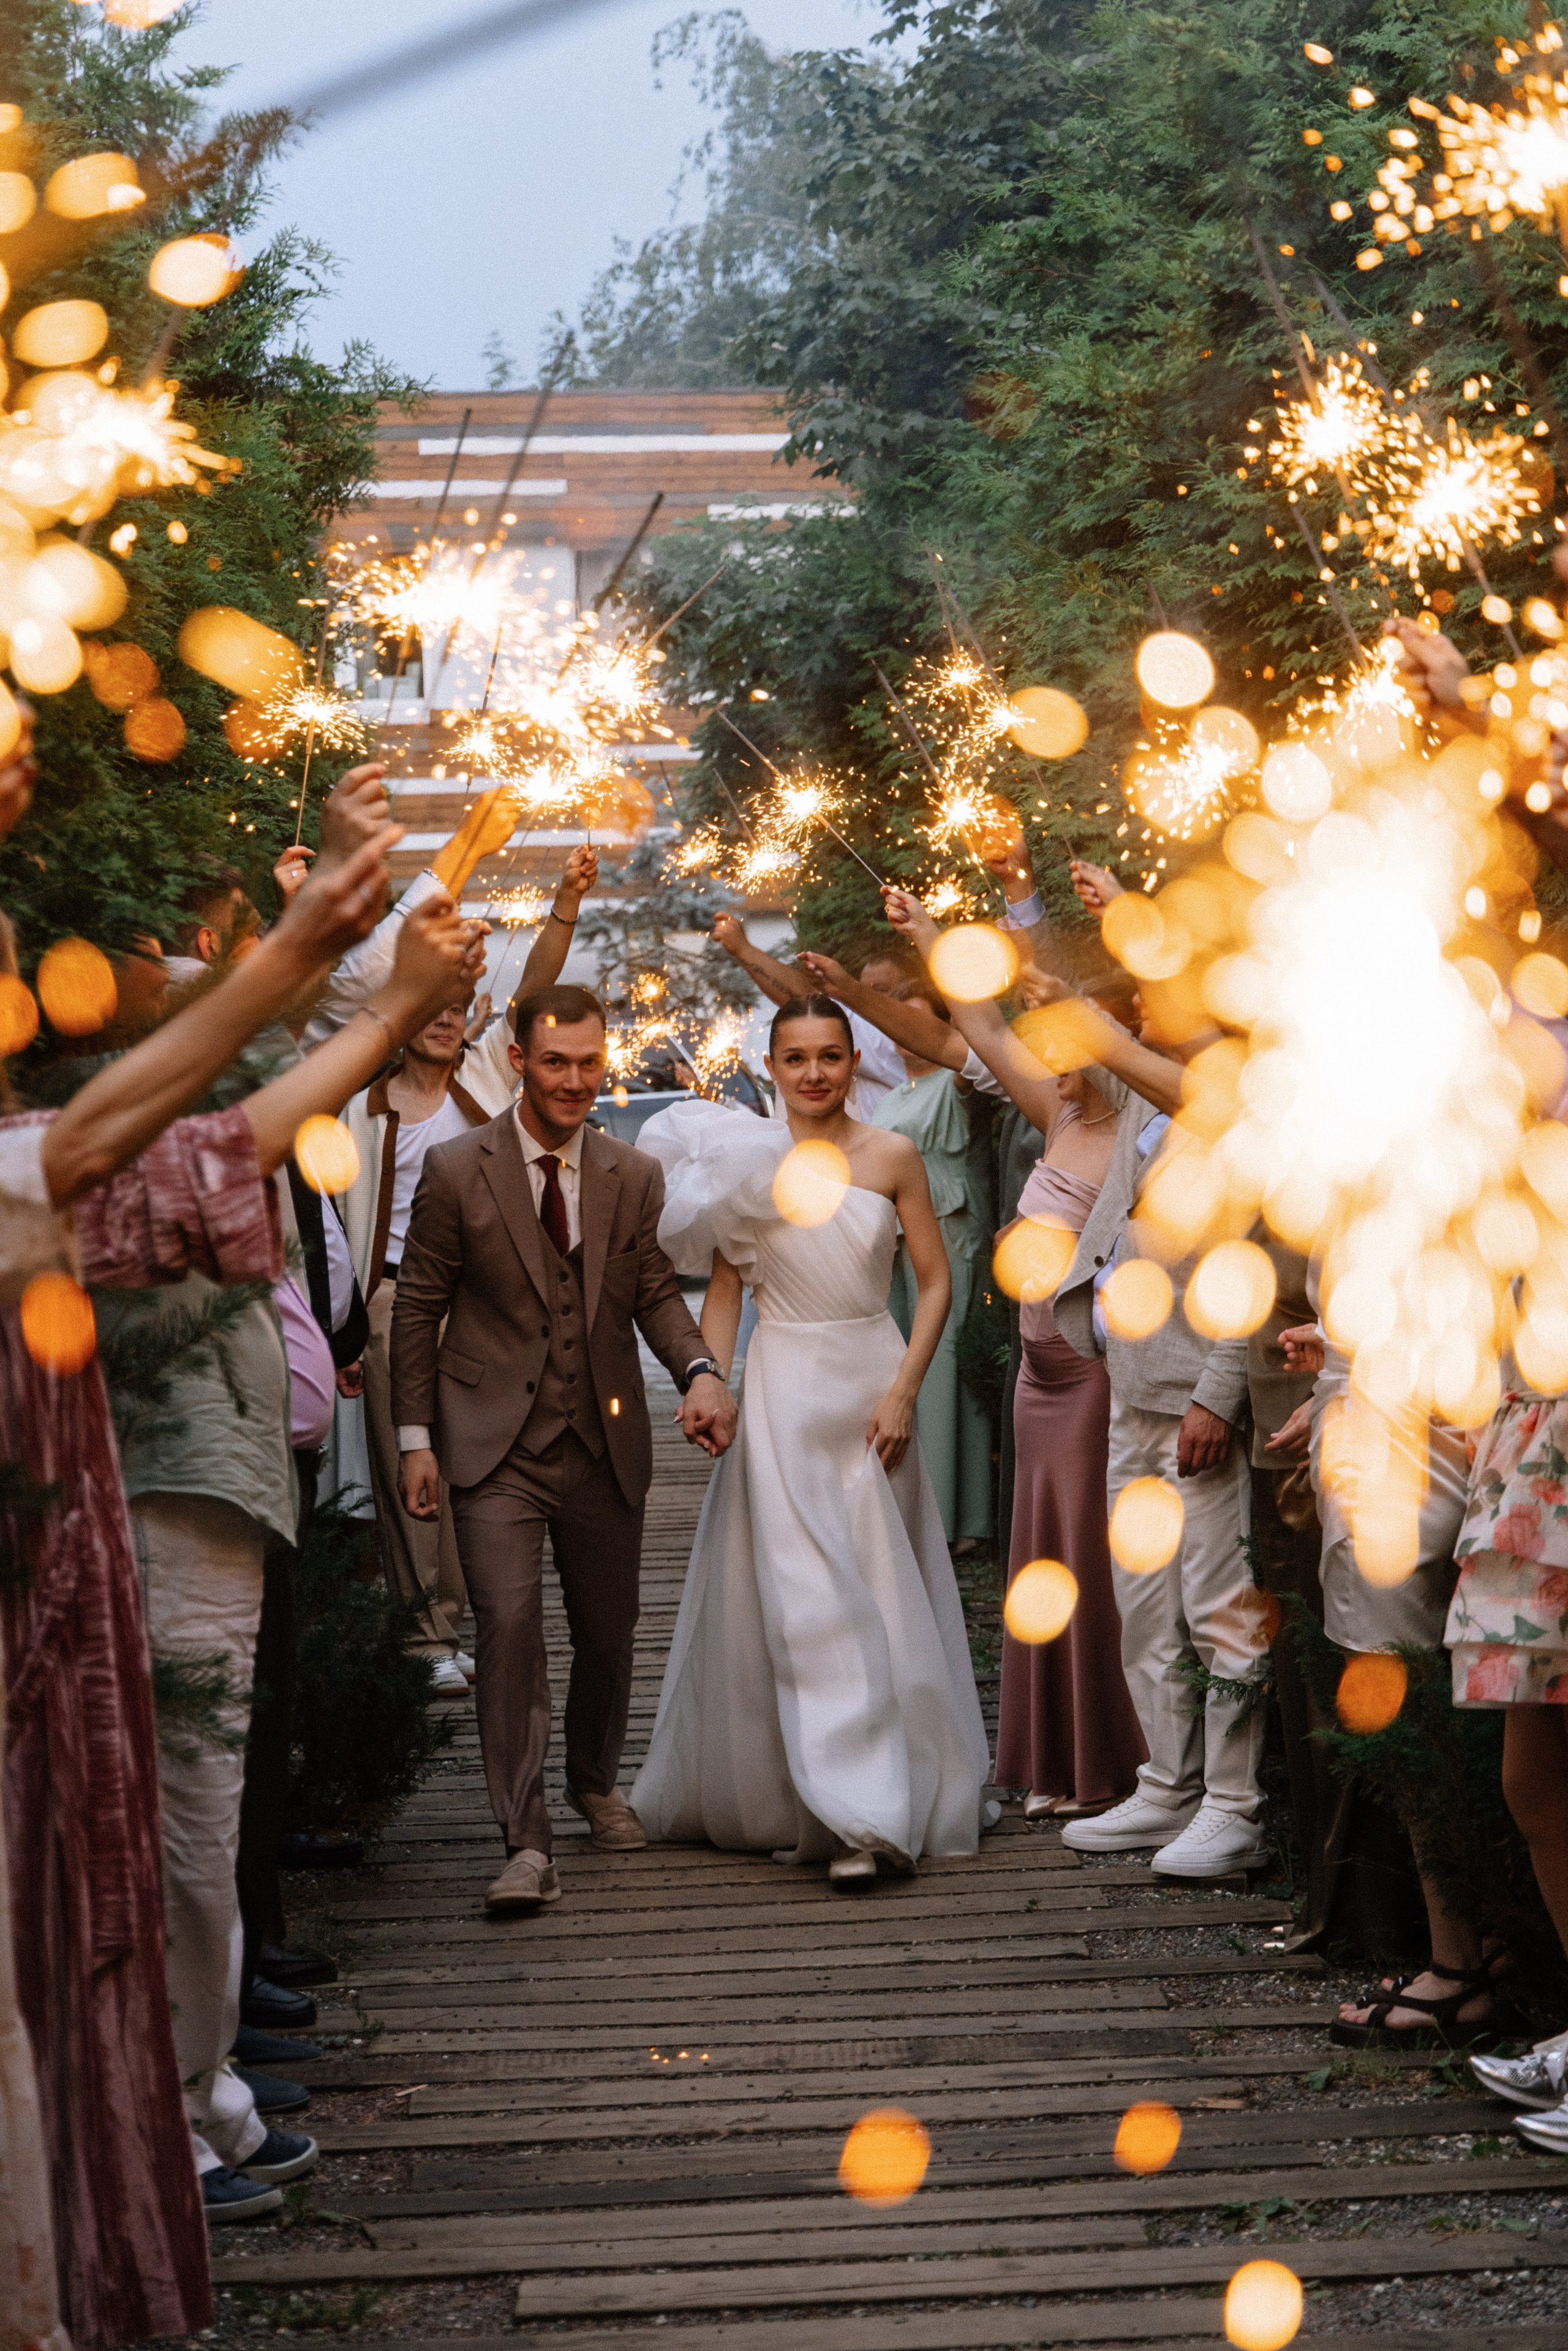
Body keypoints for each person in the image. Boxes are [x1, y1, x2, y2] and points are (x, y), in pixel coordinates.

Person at [886, 888, 1264, 1879]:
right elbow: (1051, 1003)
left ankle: (1236, 1802)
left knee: (1215, 1596)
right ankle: (1167, 1783)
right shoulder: (1132, 1094)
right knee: (1145, 1599)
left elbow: (1253, 1259)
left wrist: (1220, 1392)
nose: (1140, 1010)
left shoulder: (1233, 1098)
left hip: (1194, 1389)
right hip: (1127, 1379)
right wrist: (988, 931)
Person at [390, 984, 739, 1917]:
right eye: (556, 1061)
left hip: (603, 1433)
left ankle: (593, 1780)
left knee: (609, 1629)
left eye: (591, 1062)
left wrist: (701, 1369)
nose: (577, 1080)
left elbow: (655, 1290)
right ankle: (524, 1838)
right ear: (517, 1058)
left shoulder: (633, 1172)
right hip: (489, 1443)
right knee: (507, 1626)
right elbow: (419, 1305)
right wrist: (415, 1437)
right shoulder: (457, 1167)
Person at [630, 995, 990, 1883]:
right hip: (784, 1386)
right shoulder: (746, 1157)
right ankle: (851, 1815)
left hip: (871, 1380)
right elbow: (724, 1288)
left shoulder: (892, 1154)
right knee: (807, 1597)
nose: (816, 1073)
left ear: (849, 1059)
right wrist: (708, 1380)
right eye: (796, 1057)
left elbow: (936, 1283)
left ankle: (886, 1789)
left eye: (831, 1055)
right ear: (773, 1064)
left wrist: (905, 1389)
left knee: (877, 1583)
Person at [337, 997, 489, 1691]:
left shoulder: (485, 1085)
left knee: (469, 1465)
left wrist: (566, 902)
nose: (444, 1017)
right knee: (410, 1465)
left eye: (457, 1007)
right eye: (430, 1003)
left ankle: (451, 1620)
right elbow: (335, 1218)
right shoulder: (359, 1109)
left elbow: (541, 992)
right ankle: (422, 1635)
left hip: (478, 1304)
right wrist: (342, 1322)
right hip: (393, 1301)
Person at [864, 977, 993, 1548]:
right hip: (892, 1237)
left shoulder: (954, 1085)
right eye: (900, 1022)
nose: (908, 1035)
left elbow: (970, 1061)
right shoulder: (893, 1095)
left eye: (922, 1023)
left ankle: (952, 1522)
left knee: (941, 1374)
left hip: (948, 1228)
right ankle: (912, 1509)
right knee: (900, 1368)